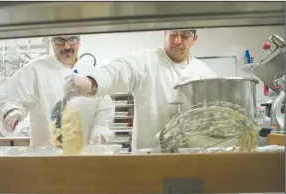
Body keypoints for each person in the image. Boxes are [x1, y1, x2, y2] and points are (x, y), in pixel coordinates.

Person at [63, 29, 217, 151]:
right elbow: (116, 72)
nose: (177, 40)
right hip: (150, 158)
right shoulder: (146, 61)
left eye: (184, 36)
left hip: (193, 158)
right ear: (164, 34)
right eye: (173, 34)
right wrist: (91, 81)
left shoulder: (205, 73)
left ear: (194, 40)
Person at [0, 35, 115, 147]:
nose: (67, 46)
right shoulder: (36, 69)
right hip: (45, 158)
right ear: (52, 42)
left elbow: (105, 108)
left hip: (83, 157)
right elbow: (11, 97)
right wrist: (12, 111)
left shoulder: (92, 73)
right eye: (60, 40)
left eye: (72, 39)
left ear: (79, 41)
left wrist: (100, 128)